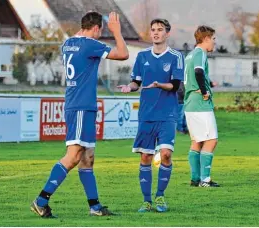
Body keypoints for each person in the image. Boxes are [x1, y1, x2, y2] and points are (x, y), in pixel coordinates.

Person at [30, 11, 129, 218]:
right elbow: (123, 54)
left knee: (87, 158)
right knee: (74, 156)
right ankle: (41, 200)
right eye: (100, 30)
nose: (100, 34)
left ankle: (95, 206)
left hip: (77, 104)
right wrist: (117, 32)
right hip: (82, 106)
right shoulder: (90, 44)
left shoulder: (68, 44)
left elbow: (80, 35)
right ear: (96, 28)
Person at [117, 18, 184, 213]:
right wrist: (129, 87)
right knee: (145, 157)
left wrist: (158, 85)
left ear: (167, 33)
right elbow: (136, 81)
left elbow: (176, 85)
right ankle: (146, 201)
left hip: (167, 114)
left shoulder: (175, 56)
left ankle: (160, 197)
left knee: (166, 154)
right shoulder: (142, 56)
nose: (155, 33)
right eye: (153, 29)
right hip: (146, 114)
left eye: (160, 30)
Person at [183, 25, 220, 188]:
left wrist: (209, 83)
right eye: (213, 39)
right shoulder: (200, 53)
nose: (214, 43)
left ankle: (195, 179)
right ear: (205, 39)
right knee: (211, 140)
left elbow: (194, 74)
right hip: (200, 103)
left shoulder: (190, 55)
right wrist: (205, 91)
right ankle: (205, 180)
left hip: (190, 102)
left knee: (197, 141)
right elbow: (198, 72)